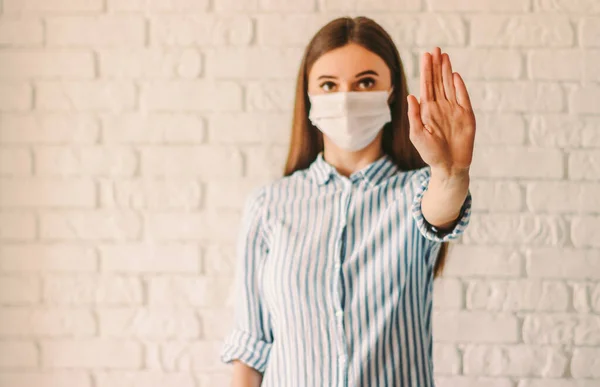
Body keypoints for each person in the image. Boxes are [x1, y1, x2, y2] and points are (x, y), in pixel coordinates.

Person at [220, 16, 475, 387]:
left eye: (366, 82)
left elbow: (442, 206)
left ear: (391, 91)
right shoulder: (269, 205)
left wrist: (451, 171)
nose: (346, 98)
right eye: (328, 84)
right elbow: (251, 345)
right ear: (307, 95)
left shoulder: (416, 192)